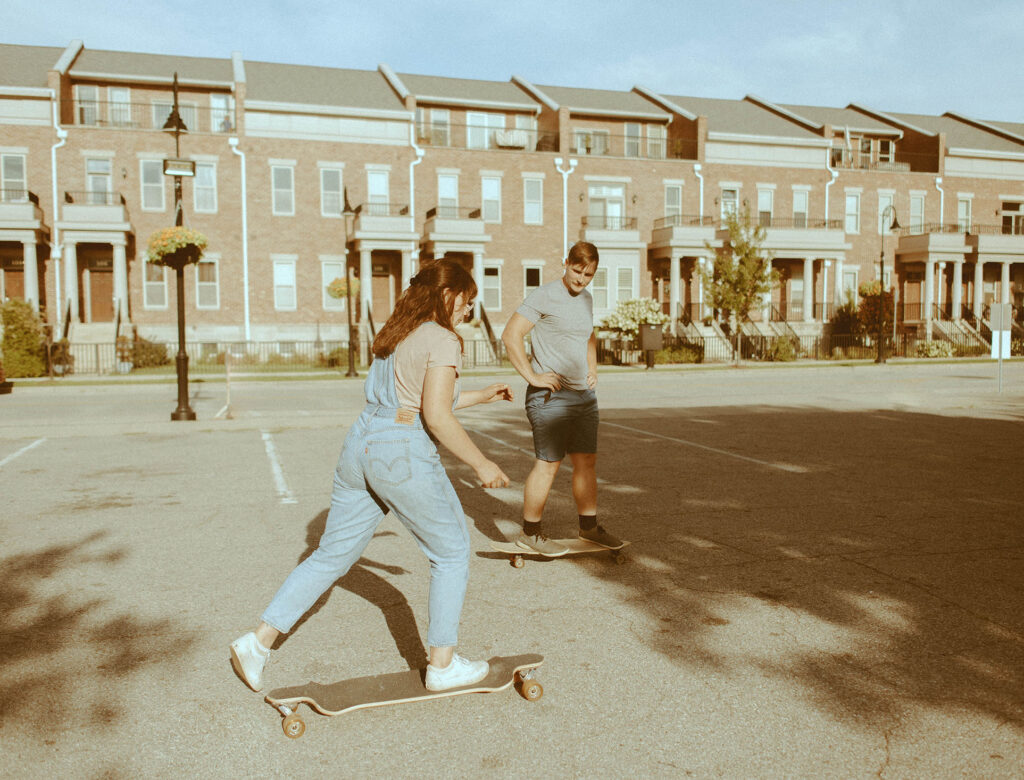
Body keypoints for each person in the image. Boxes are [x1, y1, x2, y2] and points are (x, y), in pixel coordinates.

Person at [231, 260, 512, 693]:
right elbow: (433, 414)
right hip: (401, 451)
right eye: (467, 302)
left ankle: (258, 643)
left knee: (330, 556)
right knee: (452, 551)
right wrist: (482, 463)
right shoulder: (442, 338)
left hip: (361, 444)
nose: (467, 313)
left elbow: (409, 397)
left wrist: (482, 395)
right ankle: (443, 664)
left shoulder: (395, 332)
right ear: (449, 294)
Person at [501, 241, 622, 557]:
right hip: (550, 397)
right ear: (565, 262)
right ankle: (531, 532)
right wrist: (532, 377)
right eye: (577, 271)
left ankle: (589, 527)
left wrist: (592, 368)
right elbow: (511, 334)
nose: (582, 279)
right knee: (549, 463)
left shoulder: (586, 299)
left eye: (589, 275)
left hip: (583, 397)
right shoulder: (544, 295)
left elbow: (588, 335)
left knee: (586, 462)